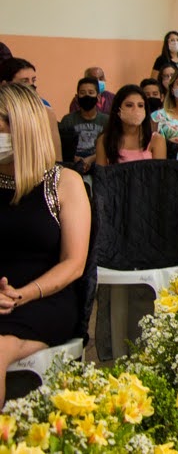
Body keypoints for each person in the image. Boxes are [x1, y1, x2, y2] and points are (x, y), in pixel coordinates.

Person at [0, 83, 90, 406]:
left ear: (24, 127)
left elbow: (74, 263)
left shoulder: (64, 183)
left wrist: (21, 295)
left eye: (1, 122)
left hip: (42, 298)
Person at [95, 85, 167, 165]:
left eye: (140, 105)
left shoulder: (156, 140)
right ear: (118, 110)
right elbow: (101, 171)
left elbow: (159, 171)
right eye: (129, 105)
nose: (136, 110)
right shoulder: (104, 140)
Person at [0, 58, 60, 152]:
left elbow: (56, 153)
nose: (31, 85)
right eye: (24, 81)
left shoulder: (45, 109)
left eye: (33, 80)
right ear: (5, 84)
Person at [59, 77, 109, 173]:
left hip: (98, 168)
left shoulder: (107, 121)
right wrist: (76, 159)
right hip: (73, 169)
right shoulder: (67, 120)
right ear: (77, 97)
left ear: (98, 97)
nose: (87, 96)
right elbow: (61, 147)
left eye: (91, 92)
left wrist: (91, 159)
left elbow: (110, 148)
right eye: (82, 93)